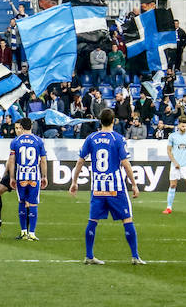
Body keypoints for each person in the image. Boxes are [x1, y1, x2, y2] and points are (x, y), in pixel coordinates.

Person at [69, 108, 145, 265]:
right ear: (114, 120)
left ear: (99, 120)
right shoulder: (118, 139)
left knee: (93, 220)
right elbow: (125, 163)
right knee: (127, 220)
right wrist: (134, 184)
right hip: (115, 188)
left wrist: (74, 182)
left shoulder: (91, 138)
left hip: (98, 187)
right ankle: (135, 256)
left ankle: (89, 256)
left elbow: (80, 161)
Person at [6, 118, 48, 240]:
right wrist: (44, 176)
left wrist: (12, 177)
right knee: (33, 203)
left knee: (22, 202)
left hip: (21, 177)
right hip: (34, 176)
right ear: (32, 126)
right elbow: (43, 160)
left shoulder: (15, 141)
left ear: (22, 127)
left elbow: (12, 160)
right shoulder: (38, 141)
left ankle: (24, 231)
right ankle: (32, 233)